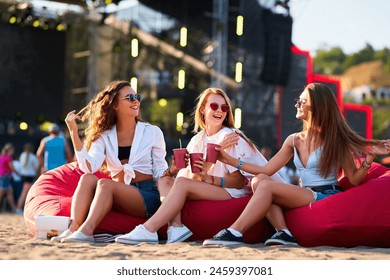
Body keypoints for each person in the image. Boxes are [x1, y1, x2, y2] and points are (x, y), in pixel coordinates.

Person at [203, 82, 390, 246]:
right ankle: (283, 232)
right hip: (305, 193)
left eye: (302, 102)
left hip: (325, 194)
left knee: (265, 185)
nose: (297, 105)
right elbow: (266, 169)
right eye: (298, 101)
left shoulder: (335, 139)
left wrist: (369, 158)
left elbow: (355, 180)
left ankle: (235, 232)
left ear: (316, 107)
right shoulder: (293, 140)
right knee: (259, 180)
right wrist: (230, 161)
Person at [114, 87, 284, 245]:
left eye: (224, 108)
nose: (219, 111)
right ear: (203, 109)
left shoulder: (230, 137)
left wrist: (210, 175)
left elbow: (239, 182)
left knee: (180, 183)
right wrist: (177, 169)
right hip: (208, 185)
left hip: (233, 190)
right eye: (214, 106)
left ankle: (149, 229)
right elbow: (193, 179)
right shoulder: (198, 139)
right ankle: (175, 227)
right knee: (165, 180)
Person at [51, 80, 169, 243]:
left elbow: (160, 170)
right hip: (119, 192)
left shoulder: (152, 132)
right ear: (114, 105)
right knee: (87, 179)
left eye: (137, 97)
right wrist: (73, 132)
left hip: (147, 194)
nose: (136, 101)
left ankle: (87, 231)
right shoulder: (104, 136)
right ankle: (73, 228)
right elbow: (88, 168)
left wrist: (173, 171)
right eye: (130, 98)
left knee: (105, 184)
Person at [15, 143, 40, 214]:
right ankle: (19, 208)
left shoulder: (22, 155)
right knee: (26, 193)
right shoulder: (33, 157)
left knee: (25, 193)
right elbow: (36, 168)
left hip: (23, 176)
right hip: (29, 177)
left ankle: (20, 208)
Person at [0, 143, 18, 212]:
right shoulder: (8, 158)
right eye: (12, 150)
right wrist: (17, 174)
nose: (13, 152)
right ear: (9, 150)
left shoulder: (1, 156)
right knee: (3, 193)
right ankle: (14, 209)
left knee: (9, 192)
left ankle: (14, 208)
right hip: (5, 176)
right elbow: (12, 167)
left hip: (2, 176)